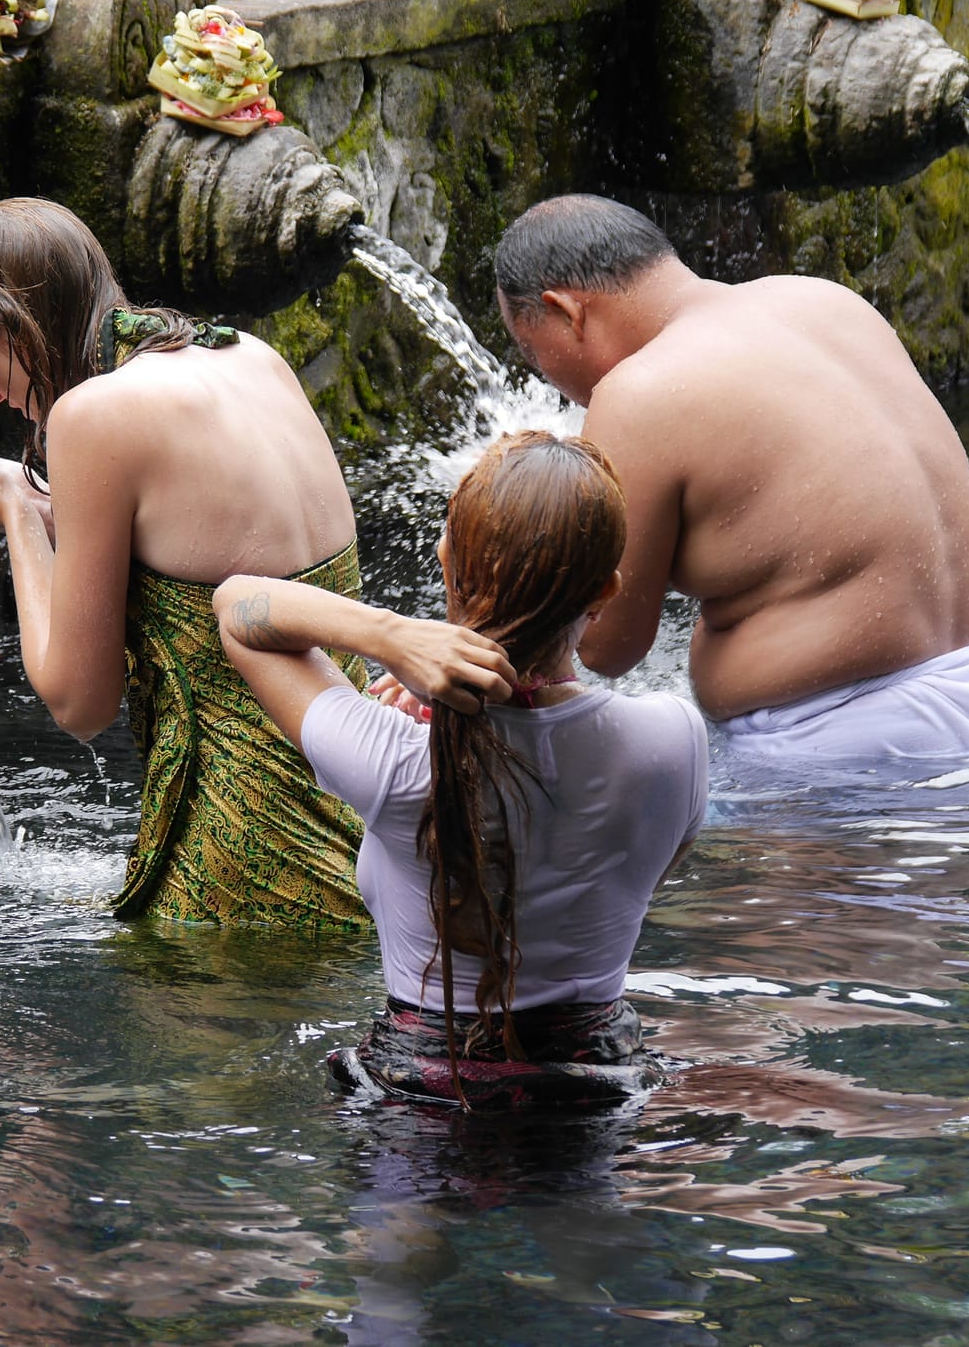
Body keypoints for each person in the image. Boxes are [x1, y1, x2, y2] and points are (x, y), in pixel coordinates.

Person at [0, 198, 368, 928]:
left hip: (246, 874)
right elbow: (204, 550)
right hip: (373, 839)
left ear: (12, 324)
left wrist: (17, 506)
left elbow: (82, 704)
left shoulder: (94, 417)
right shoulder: (249, 357)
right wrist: (54, 507)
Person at [216, 431, 709, 1107]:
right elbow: (656, 860)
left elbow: (238, 607)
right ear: (606, 592)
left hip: (422, 1099)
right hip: (595, 1094)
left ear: (446, 564)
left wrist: (389, 635)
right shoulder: (673, 739)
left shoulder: (390, 758)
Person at [494, 194, 969, 761]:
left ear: (567, 311)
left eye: (539, 358)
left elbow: (607, 646)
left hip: (838, 749)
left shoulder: (639, 392)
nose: (552, 386)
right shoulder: (824, 299)